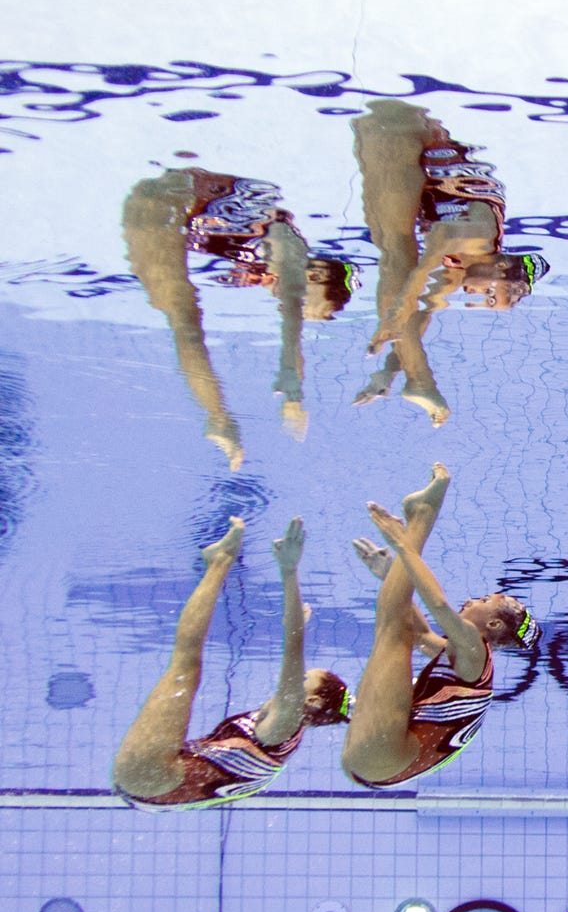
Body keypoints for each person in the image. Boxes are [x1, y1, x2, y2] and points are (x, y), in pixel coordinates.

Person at [113, 517, 350, 811]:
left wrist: (289, 571)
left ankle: (221, 559)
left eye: (304, 678)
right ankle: (218, 560)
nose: (295, 677)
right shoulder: (281, 734)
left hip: (149, 776)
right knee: (186, 667)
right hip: (150, 785)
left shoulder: (285, 725)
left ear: (311, 700)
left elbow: (293, 648)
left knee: (185, 667)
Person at [123, 168, 355, 451]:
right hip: (166, 202)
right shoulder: (288, 249)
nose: (289, 307)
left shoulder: (263, 268)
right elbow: (292, 333)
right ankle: (218, 418)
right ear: (315, 275)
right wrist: (293, 392)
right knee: (183, 319)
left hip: (165, 206)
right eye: (298, 303)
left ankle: (218, 418)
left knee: (182, 318)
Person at [352, 101, 549, 424]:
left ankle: (415, 379)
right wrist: (403, 302)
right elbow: (440, 238)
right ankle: (421, 381)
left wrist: (388, 370)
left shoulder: (462, 269)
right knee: (399, 258)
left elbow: (424, 312)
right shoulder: (482, 239)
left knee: (392, 255)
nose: (474, 301)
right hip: (406, 135)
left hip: (407, 158)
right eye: (489, 297)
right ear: (501, 267)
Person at [342, 464, 539, 787]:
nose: (473, 599)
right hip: (377, 763)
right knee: (397, 629)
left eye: (484, 599)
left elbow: (438, 605)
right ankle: (419, 515)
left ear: (491, 622)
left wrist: (403, 542)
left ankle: (422, 516)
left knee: (393, 633)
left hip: (384, 754)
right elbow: (420, 635)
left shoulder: (475, 649)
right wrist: (390, 572)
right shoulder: (466, 663)